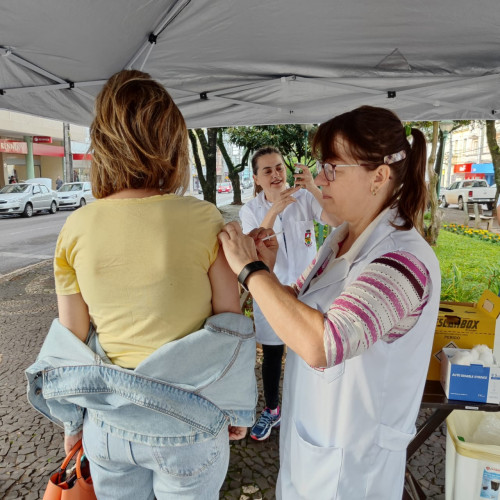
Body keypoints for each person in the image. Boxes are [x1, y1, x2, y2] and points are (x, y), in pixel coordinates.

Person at [26, 70, 257, 500]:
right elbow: (229, 325)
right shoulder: (205, 219)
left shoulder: (75, 229)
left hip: (110, 428)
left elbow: (71, 345)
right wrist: (236, 403)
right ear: (172, 143)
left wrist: (72, 426)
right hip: (189, 423)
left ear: (103, 145)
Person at [219, 105, 442, 499]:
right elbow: (297, 307)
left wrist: (250, 270)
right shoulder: (340, 238)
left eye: (332, 169)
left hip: (354, 463)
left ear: (379, 176)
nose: (318, 179)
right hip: (317, 440)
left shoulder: (401, 259)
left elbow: (325, 343)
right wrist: (268, 273)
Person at [240, 146, 339, 441]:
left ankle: (308, 409)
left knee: (308, 352)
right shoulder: (251, 210)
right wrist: (273, 211)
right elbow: (252, 246)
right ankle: (272, 409)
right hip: (270, 290)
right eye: (267, 170)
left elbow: (334, 220)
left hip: (307, 290)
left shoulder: (304, 199)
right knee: (272, 354)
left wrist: (311, 187)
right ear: (256, 178)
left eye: (279, 167)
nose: (276, 174)